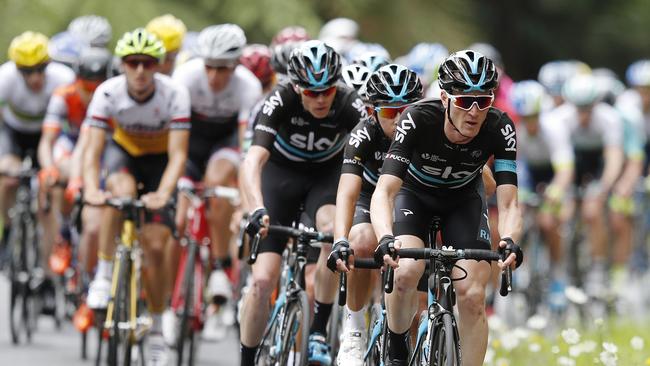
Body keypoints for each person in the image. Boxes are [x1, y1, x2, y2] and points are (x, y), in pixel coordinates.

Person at [369, 50, 523, 366]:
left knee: (472, 295)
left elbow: (507, 200)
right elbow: (385, 190)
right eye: (466, 101)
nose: (475, 111)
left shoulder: (500, 127)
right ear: (444, 98)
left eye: (484, 100)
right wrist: (385, 236)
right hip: (415, 196)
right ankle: (397, 349)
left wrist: (509, 238)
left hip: (463, 200)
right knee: (406, 271)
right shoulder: (417, 118)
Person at [239, 40, 365, 366]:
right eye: (311, 92)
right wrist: (255, 207)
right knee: (262, 281)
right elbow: (253, 161)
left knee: (329, 232)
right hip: (281, 177)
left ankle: (319, 332)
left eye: (327, 90)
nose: (321, 99)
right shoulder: (279, 99)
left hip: (325, 177)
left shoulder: (350, 103)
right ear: (296, 87)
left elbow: (375, 156)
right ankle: (247, 358)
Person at [83, 28, 191, 366]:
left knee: (156, 248)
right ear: (123, 65)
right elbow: (92, 151)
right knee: (121, 194)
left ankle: (158, 328)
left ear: (158, 65)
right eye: (133, 63)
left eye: (147, 63)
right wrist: (90, 188)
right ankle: (103, 275)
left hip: (160, 162)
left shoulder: (174, 94)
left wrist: (163, 193)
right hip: (123, 154)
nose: (140, 70)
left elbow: (178, 155)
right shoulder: (107, 92)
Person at [327, 64, 423, 366]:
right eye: (388, 112)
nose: (398, 119)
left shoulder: (428, 130)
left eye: (405, 110)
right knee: (362, 241)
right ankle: (354, 329)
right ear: (372, 112)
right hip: (370, 197)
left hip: (414, 200)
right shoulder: (363, 134)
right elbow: (347, 192)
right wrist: (340, 239)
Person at [172, 23, 262, 341]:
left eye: (222, 69)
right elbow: (175, 138)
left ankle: (222, 268)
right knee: (178, 216)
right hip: (190, 142)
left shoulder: (247, 87)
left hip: (225, 144)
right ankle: (175, 298)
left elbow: (246, 144)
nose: (213, 76)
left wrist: (242, 192)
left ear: (236, 65)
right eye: (209, 66)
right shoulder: (185, 76)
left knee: (218, 183)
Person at [0, 31, 75, 269]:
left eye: (40, 69)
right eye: (26, 71)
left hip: (48, 135)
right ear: (17, 68)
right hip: (14, 134)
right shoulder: (5, 77)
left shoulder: (64, 78)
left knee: (50, 187)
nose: (34, 77)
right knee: (7, 178)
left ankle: (46, 265)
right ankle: (9, 229)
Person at [38, 47, 113, 281]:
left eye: (96, 88)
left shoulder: (112, 96)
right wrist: (49, 167)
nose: (90, 95)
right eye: (86, 87)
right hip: (72, 142)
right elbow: (47, 141)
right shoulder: (63, 94)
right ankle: (63, 233)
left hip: (103, 146)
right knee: (61, 173)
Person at [554, 74, 624, 297]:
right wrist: (563, 191)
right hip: (572, 163)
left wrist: (603, 188)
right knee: (564, 213)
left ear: (595, 103)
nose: (583, 114)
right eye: (579, 108)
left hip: (597, 167)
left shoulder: (610, 118)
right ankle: (560, 268)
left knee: (593, 212)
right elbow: (562, 160)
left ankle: (596, 267)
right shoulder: (561, 118)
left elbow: (613, 158)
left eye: (588, 108)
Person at [510, 80, 574, 309]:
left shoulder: (554, 127)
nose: (530, 123)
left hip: (554, 173)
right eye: (525, 117)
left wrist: (556, 192)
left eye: (534, 116)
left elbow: (565, 169)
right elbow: (514, 168)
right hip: (530, 174)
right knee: (518, 213)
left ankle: (557, 275)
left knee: (548, 222)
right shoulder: (516, 131)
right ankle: (517, 269)